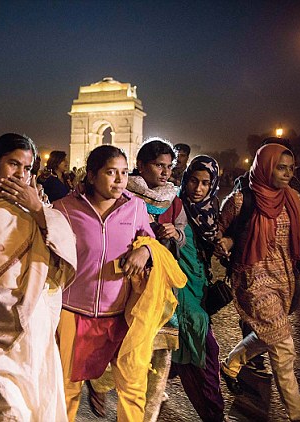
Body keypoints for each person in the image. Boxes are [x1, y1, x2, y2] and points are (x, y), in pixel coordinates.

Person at [217, 144, 300, 422]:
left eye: (291, 168)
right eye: (281, 167)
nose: (288, 173)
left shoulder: (294, 199)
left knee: (271, 334)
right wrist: (225, 243)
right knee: (284, 345)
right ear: (265, 166)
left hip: (284, 279)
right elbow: (218, 234)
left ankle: (231, 363)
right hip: (252, 278)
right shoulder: (241, 201)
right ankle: (298, 415)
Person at [55, 145, 186, 421]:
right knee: (66, 390)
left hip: (122, 315)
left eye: (124, 173)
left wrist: (147, 249)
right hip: (73, 313)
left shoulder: (135, 207)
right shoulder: (64, 209)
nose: (119, 180)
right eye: (111, 172)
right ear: (91, 176)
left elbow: (151, 241)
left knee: (133, 388)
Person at [0, 133, 77, 421]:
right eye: (13, 164)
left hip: (30, 318)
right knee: (9, 408)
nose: (21, 174)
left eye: (27, 168)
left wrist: (38, 209)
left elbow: (64, 248)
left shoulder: (36, 204)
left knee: (37, 400)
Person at [126, 138, 187, 421]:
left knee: (161, 351)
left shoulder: (174, 200)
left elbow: (184, 237)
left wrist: (175, 235)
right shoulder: (122, 194)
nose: (165, 172)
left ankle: (147, 415)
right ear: (140, 165)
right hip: (126, 281)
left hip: (159, 283)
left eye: (169, 166)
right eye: (158, 165)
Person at [171, 155, 224, 421]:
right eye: (193, 181)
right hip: (177, 285)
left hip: (200, 285)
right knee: (204, 346)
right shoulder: (171, 205)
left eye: (205, 183)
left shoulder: (211, 211)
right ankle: (212, 412)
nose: (198, 188)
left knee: (184, 348)